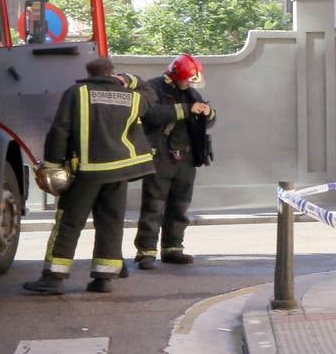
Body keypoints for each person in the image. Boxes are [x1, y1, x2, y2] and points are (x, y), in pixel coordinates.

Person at [23, 56, 155, 295]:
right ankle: (104, 278)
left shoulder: (77, 93)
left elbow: (60, 129)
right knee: (111, 223)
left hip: (86, 171)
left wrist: (53, 164)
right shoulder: (133, 98)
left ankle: (54, 277)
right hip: (118, 171)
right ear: (112, 73)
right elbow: (151, 93)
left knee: (69, 223)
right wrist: (129, 79)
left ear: (89, 72)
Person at [133, 53, 216, 268]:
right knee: (154, 205)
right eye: (187, 79)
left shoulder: (190, 92)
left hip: (186, 158)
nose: (189, 83)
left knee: (180, 206)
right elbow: (151, 114)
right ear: (176, 74)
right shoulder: (154, 88)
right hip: (161, 156)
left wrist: (208, 113)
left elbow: (206, 120)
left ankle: (173, 249)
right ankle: (146, 252)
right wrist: (186, 110)